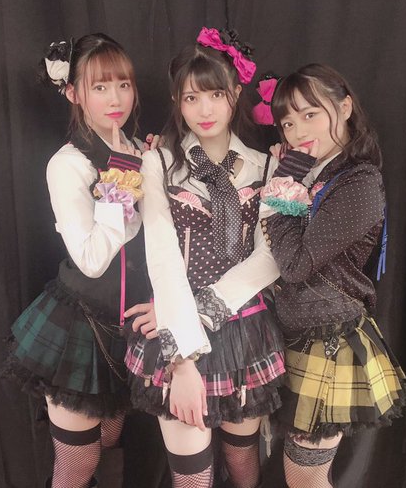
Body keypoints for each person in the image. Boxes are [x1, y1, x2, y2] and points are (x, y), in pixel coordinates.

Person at [124, 27, 285, 488]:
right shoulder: (159, 162)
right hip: (176, 326)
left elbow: (270, 257)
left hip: (245, 330)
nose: (205, 110)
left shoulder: (268, 165)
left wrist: (205, 308)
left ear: (235, 94)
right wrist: (182, 357)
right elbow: (161, 256)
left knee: (242, 463)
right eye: (191, 98)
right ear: (177, 102)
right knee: (191, 475)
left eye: (216, 94)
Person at [3, 33, 161, 488]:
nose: (115, 99)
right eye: (100, 86)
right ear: (73, 93)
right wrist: (121, 188)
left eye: (123, 85)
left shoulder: (144, 150)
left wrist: (149, 166)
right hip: (80, 326)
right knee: (77, 464)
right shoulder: (68, 164)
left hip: (131, 326)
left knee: (111, 443)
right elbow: (91, 260)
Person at [258, 64, 406, 487]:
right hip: (296, 334)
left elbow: (295, 265)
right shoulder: (319, 170)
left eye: (310, 114)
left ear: (344, 108)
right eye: (288, 122)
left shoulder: (359, 182)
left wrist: (282, 185)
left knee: (305, 480)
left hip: (328, 344)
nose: (298, 131)